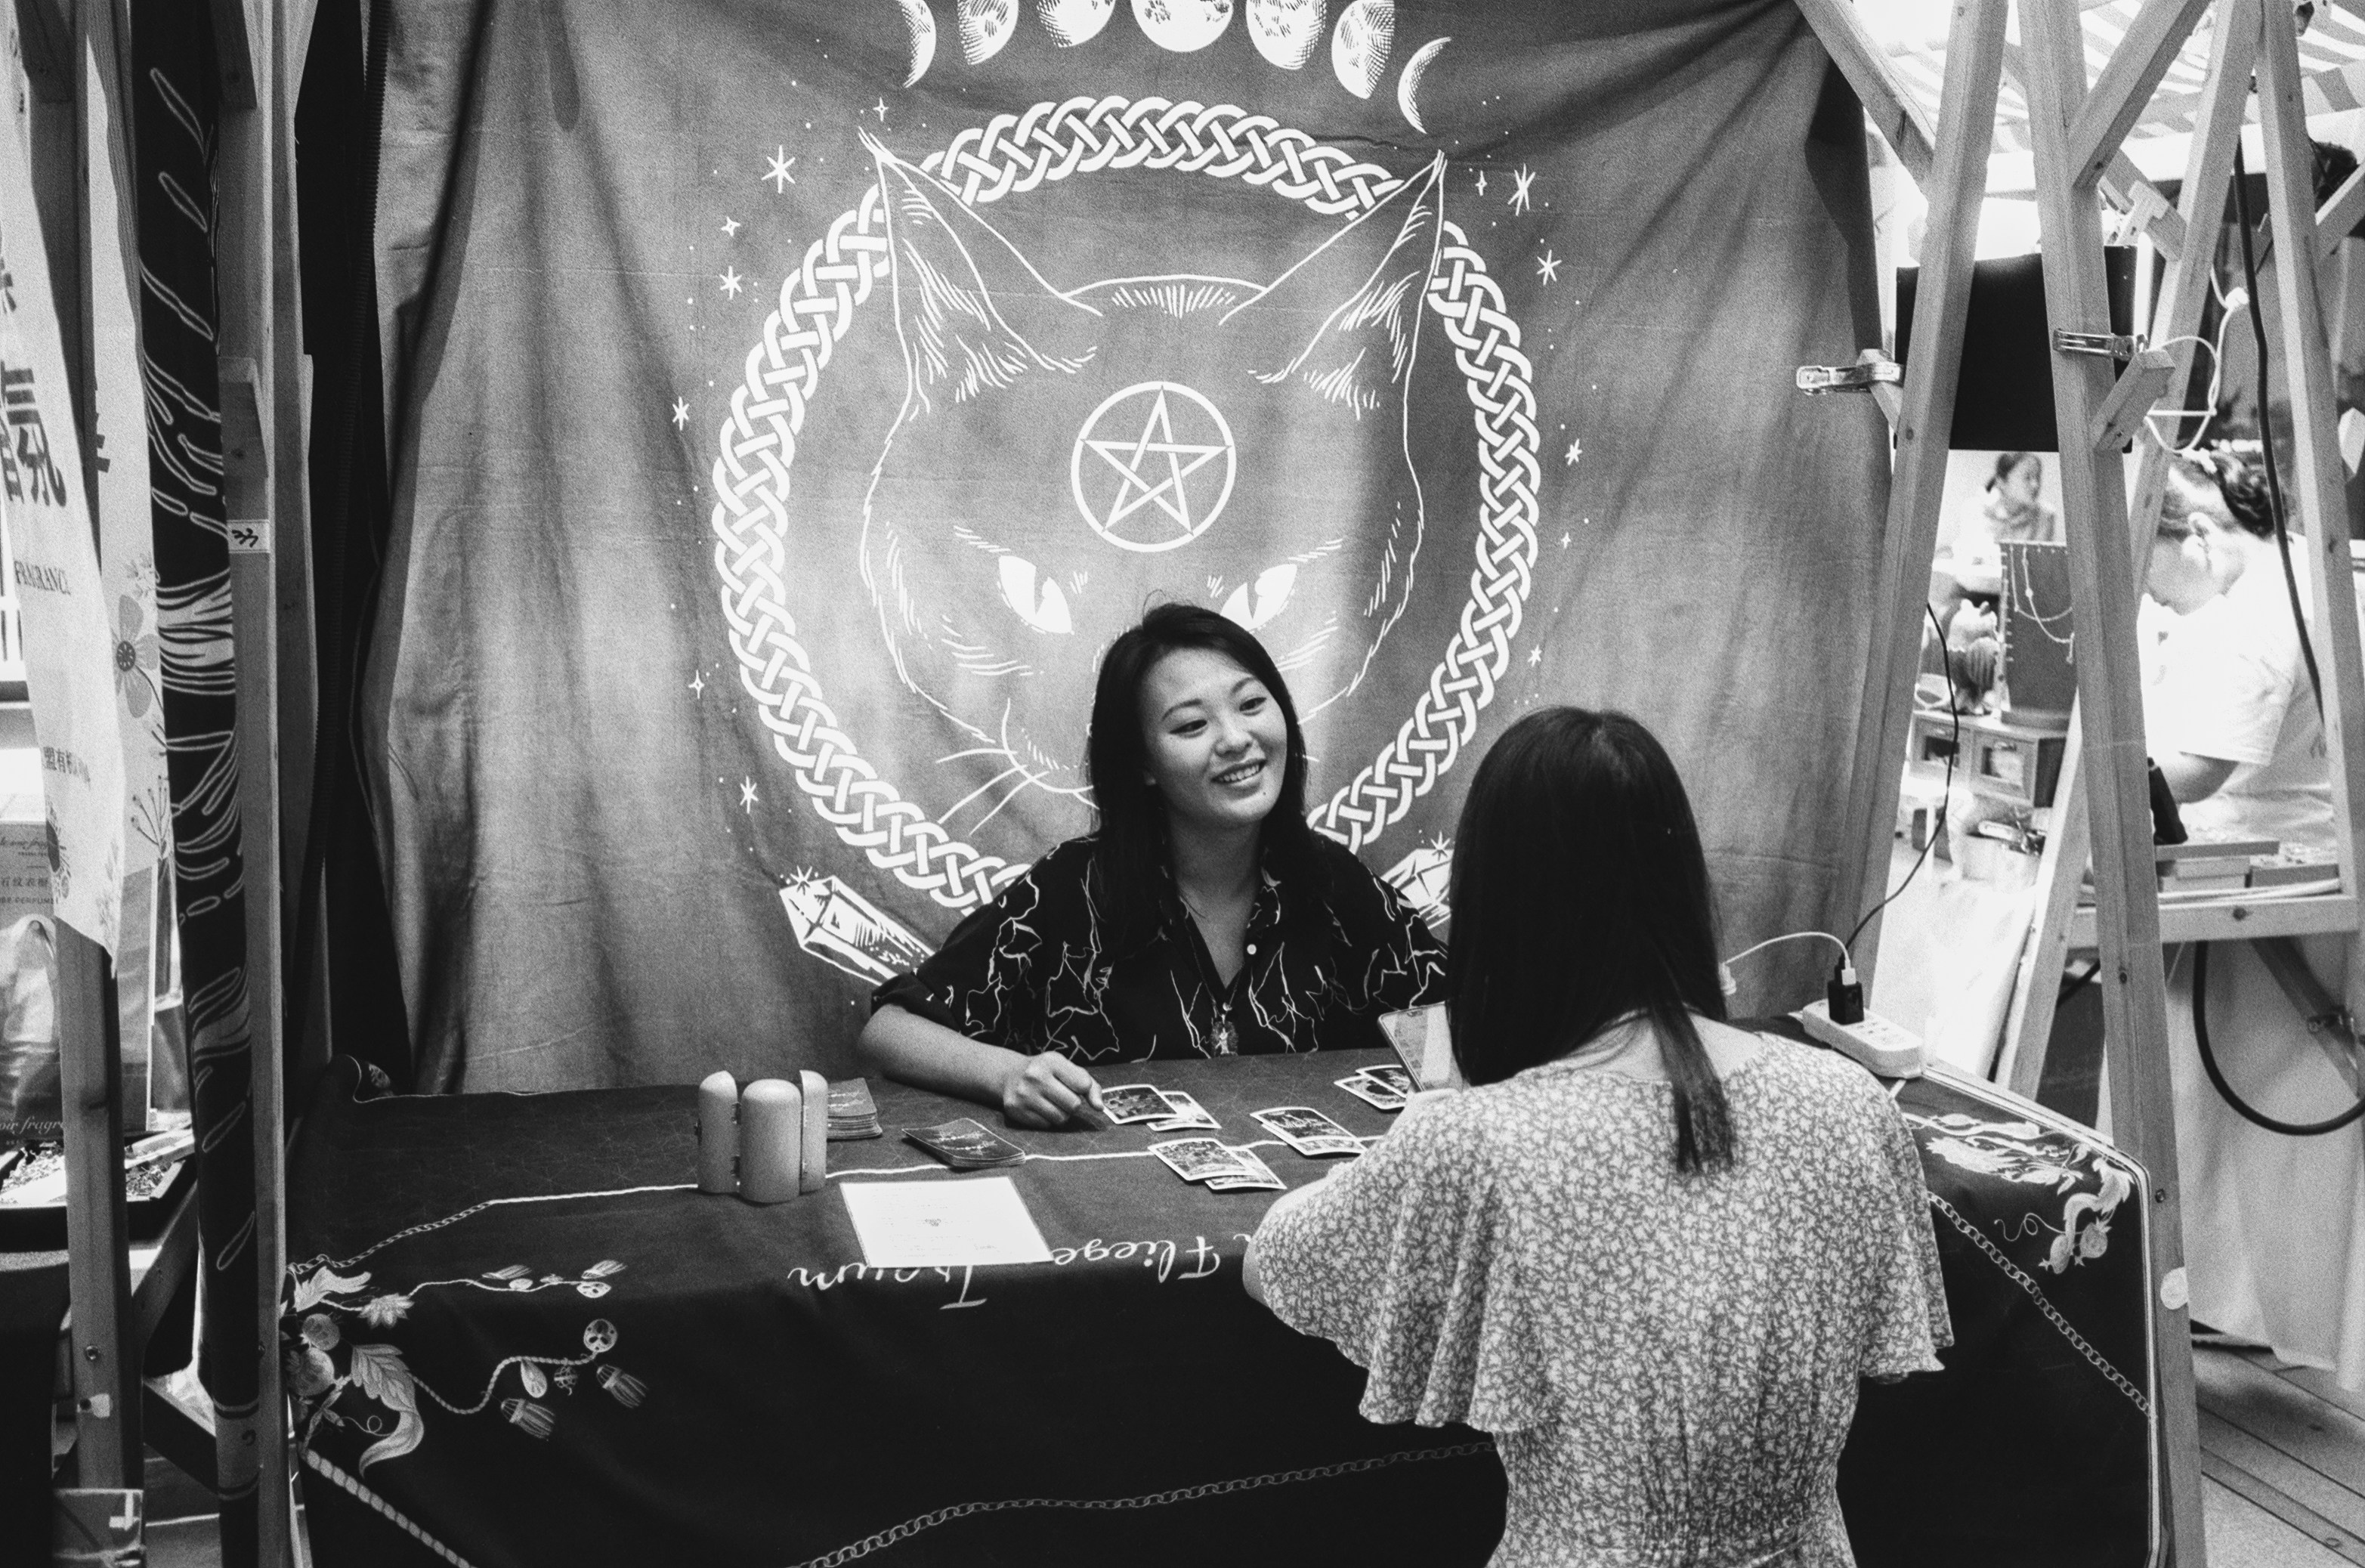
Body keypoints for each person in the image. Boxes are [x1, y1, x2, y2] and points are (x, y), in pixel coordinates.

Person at [1243, 707, 1951, 1567]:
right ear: (1682, 882)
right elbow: (1891, 1360)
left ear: (1496, 905)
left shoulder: (1476, 1142)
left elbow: (1278, 1258)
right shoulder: (1850, 1100)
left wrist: (1423, 1124)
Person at [858, 604, 1446, 1127]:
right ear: (1142, 763)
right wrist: (1010, 1074)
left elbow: (1462, 1025)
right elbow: (889, 1031)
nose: (1236, 739)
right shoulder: (1076, 888)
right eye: (1192, 725)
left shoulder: (1331, 884)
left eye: (1251, 704)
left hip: (1298, 1223)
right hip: (1108, 1224)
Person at [2141, 448, 2332, 857]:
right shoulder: (2302, 563)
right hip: (2320, 835)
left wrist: (2090, 769)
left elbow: (2198, 775)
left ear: (2201, 535)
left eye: (2145, 561)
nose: (2146, 589)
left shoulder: (2258, 615)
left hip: (2268, 850)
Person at [1977, 450, 2060, 547]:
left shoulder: (2045, 515)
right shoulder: (1978, 512)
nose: (2035, 485)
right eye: (2027, 477)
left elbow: (2038, 559)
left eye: (2037, 477)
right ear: (2002, 482)